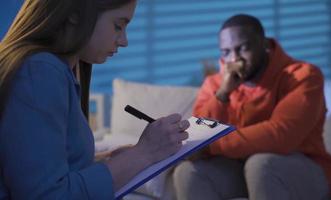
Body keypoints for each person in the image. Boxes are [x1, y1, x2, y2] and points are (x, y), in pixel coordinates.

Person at [0, 0, 190, 199]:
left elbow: (42, 164)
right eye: (118, 25)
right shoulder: (40, 72)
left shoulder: (56, 70)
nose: (124, 40)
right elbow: (46, 195)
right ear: (75, 12)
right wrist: (143, 153)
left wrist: (106, 161)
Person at [172, 14, 331, 200]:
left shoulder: (304, 76)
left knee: (260, 164)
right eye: (226, 52)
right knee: (187, 172)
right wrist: (222, 95)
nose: (235, 60)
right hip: (240, 167)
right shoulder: (216, 84)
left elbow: (281, 135)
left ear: (264, 44)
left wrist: (210, 146)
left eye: (243, 48)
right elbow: (201, 132)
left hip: (303, 165)